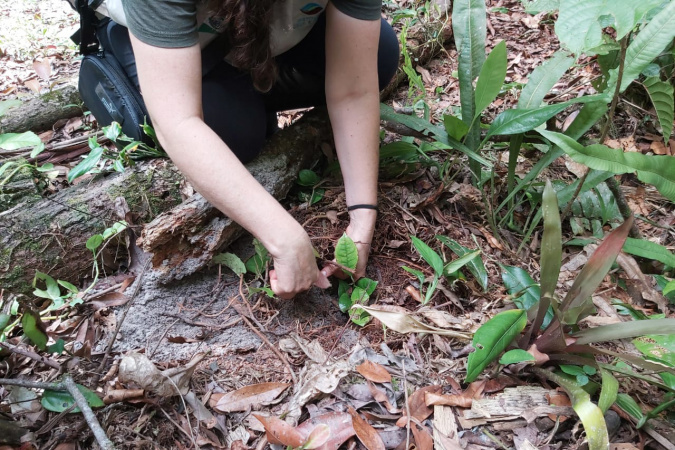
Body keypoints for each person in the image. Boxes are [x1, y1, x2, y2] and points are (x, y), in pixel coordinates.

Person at [90, 0, 399, 299]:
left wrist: (363, 217)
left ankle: (242, 88)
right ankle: (145, 66)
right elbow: (178, 122)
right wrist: (283, 238)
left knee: (378, 56)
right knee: (232, 134)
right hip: (183, 32)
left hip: (260, 22)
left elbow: (355, 88)